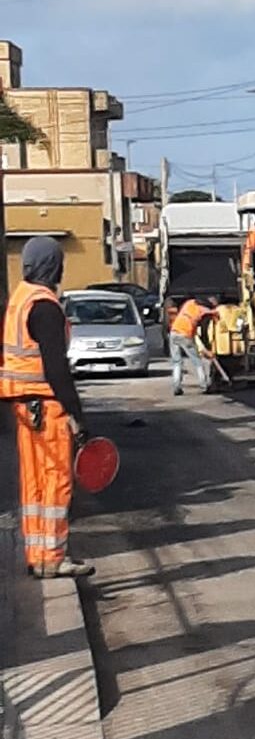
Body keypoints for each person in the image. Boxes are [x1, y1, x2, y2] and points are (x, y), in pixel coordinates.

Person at [1, 237, 93, 578]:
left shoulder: (20, 299)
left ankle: (37, 556)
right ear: (52, 266)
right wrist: (77, 416)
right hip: (47, 405)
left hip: (22, 406)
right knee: (57, 480)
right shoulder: (45, 306)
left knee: (33, 481)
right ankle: (53, 557)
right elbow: (57, 369)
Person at [168, 295, 214, 396]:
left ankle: (177, 387)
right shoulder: (204, 310)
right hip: (186, 335)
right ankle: (204, 386)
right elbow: (210, 317)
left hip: (174, 332)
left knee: (177, 362)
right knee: (197, 362)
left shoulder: (189, 303)